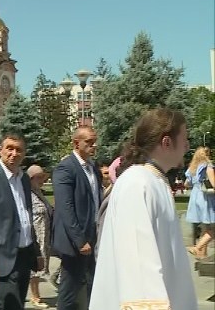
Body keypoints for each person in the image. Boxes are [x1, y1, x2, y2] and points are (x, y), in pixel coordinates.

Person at [90, 108, 197, 310]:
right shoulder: (137, 183)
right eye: (184, 138)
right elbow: (137, 260)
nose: (187, 145)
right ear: (166, 142)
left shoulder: (154, 180)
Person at [0, 134, 42, 310]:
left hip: (24, 254)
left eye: (19, 150)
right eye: (10, 148)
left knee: (16, 303)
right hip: (3, 257)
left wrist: (36, 251)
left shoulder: (23, 179)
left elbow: (27, 217)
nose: (14, 153)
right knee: (6, 303)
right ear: (0, 150)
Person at [51, 126, 102, 310]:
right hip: (75, 242)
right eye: (89, 142)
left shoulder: (93, 167)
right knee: (69, 290)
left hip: (93, 235)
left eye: (94, 142)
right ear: (76, 143)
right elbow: (65, 208)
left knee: (91, 285)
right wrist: (80, 240)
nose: (93, 146)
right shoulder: (66, 167)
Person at [26, 165, 53, 309]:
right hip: (35, 236)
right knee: (35, 266)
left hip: (44, 235)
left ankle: (36, 294)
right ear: (31, 178)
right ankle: (35, 296)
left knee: (40, 264)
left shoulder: (38, 192)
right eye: (40, 177)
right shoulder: (27, 194)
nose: (43, 180)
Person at [184, 146, 215, 259]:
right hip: (206, 199)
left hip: (195, 197)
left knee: (205, 228)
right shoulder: (208, 166)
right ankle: (197, 247)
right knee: (212, 229)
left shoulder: (192, 168)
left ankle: (202, 256)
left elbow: (186, 184)